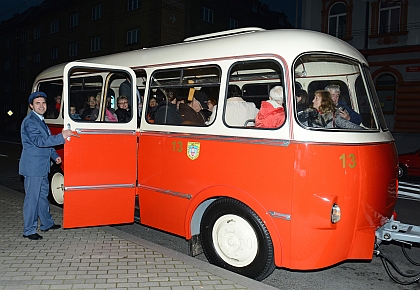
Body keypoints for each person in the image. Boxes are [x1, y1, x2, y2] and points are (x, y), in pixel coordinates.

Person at [19, 92, 72, 240]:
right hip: (33, 168)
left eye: (43, 103)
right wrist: (62, 136)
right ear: (31, 106)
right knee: (32, 199)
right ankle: (29, 230)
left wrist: (55, 156)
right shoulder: (30, 121)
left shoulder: (40, 120)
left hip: (42, 166)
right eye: (38, 103)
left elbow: (46, 142)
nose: (41, 106)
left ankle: (47, 223)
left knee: (42, 196)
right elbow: (40, 141)